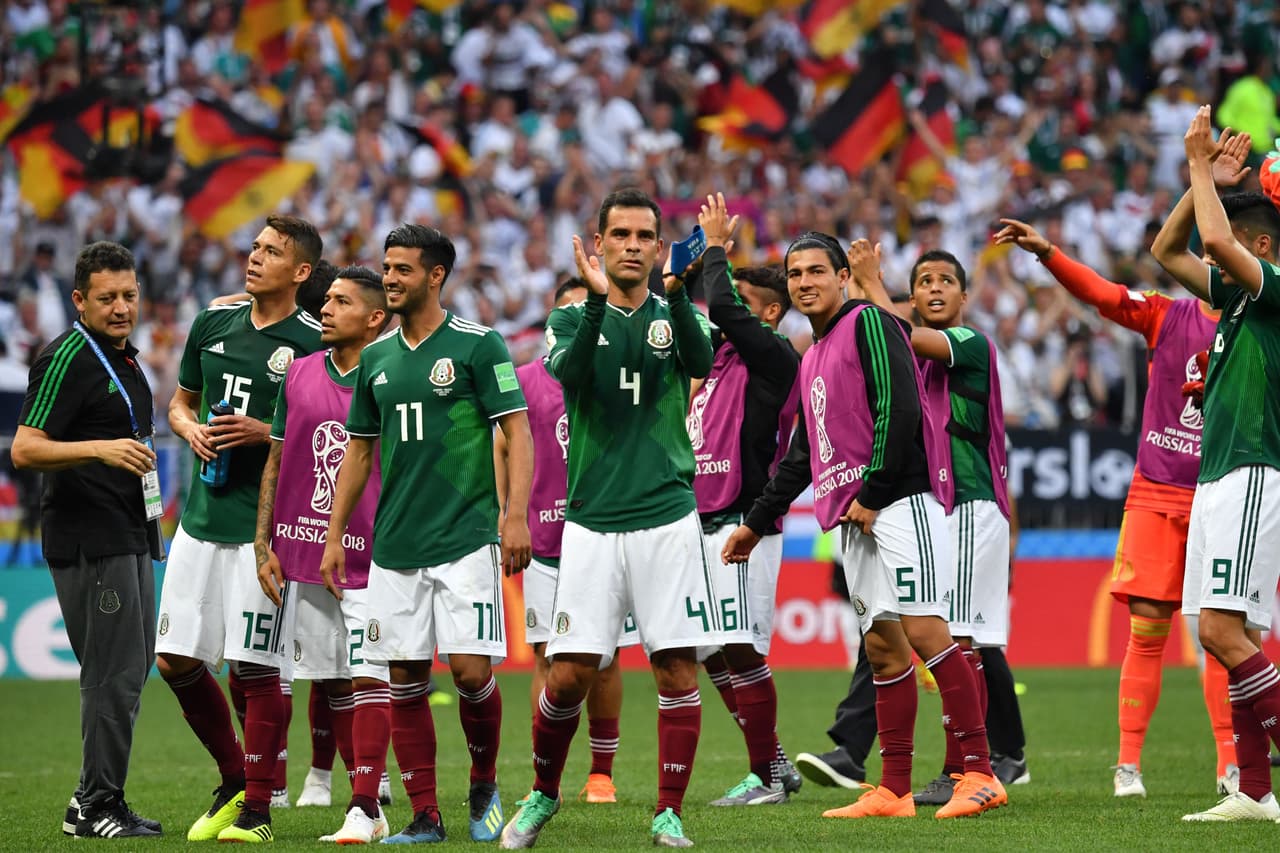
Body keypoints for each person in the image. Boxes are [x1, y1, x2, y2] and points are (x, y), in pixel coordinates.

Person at [722, 231, 1004, 820]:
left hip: (899, 501)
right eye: (795, 273)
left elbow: (901, 404)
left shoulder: (869, 323)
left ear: (842, 277)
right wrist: (757, 522)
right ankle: (893, 789)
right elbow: (803, 454)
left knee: (928, 633)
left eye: (816, 271)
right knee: (881, 648)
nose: (804, 282)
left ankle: (978, 773)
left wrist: (875, 492)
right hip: (852, 516)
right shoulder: (812, 356)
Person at [1002, 143, 1247, 796]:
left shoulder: (1259, 326)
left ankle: (1231, 764)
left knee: (1218, 632)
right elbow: (1103, 293)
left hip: (1223, 493)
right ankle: (1129, 764)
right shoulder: (1169, 316)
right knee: (1147, 628)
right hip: (1157, 493)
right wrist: (1048, 254)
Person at [499, 188, 715, 849]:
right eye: (617, 233)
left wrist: (678, 291)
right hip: (591, 522)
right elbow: (569, 370)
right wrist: (593, 300)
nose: (630, 243)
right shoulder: (569, 320)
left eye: (643, 234)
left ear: (657, 245)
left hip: (667, 515)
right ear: (598, 244)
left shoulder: (680, 313)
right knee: (568, 671)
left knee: (676, 666)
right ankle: (542, 794)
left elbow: (702, 361)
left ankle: (668, 810)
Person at [321, 224, 534, 843]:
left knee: (469, 672)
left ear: (435, 275)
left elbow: (517, 430)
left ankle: (485, 782)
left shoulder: (477, 346)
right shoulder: (377, 358)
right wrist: (336, 534)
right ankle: (424, 815)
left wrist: (512, 513)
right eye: (386, 268)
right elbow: (359, 453)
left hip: (465, 537)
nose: (388, 279)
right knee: (405, 677)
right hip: (393, 546)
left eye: (402, 269)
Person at [156, 214, 325, 843]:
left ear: (300, 272)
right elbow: (180, 401)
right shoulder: (213, 321)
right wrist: (189, 428)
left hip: (266, 532)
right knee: (174, 660)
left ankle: (257, 810)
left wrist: (267, 434)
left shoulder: (314, 341)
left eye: (272, 252)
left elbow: (333, 437)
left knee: (253, 669)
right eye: (255, 247)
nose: (254, 258)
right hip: (200, 523)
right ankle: (234, 776)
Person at [1151, 107, 1280, 822]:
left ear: (1259, 244)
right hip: (1222, 473)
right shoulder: (1240, 300)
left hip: (1253, 468)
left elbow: (1210, 237)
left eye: (1241, 233)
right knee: (1230, 632)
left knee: (1224, 633)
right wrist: (1205, 178)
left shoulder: (1274, 285)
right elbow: (1168, 249)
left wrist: (1203, 167)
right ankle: (1256, 792)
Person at [12, 241, 163, 839]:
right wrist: (98, 448)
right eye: (108, 298)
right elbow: (25, 446)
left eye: (129, 295)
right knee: (112, 672)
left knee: (131, 666)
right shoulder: (67, 357)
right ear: (79, 300)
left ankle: (96, 800)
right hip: (90, 539)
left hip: (129, 530)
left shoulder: (122, 358)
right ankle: (96, 805)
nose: (122, 307)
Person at [253, 266, 397, 843]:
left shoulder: (391, 375)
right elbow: (277, 459)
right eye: (327, 299)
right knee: (334, 680)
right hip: (303, 554)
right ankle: (363, 799)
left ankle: (365, 803)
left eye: (340, 302)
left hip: (376, 556)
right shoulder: (299, 373)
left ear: (374, 318)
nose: (325, 310)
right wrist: (263, 543)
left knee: (370, 678)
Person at [493, 276, 634, 806]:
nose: (582, 321)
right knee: (546, 656)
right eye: (571, 311)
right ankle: (542, 774)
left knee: (606, 656)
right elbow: (501, 446)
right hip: (544, 538)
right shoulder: (526, 379)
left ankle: (601, 774)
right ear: (554, 323)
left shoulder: (618, 373)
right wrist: (509, 515)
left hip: (607, 531)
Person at [683, 194, 803, 806]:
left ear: (772, 313)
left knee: (741, 646)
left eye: (741, 310)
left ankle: (764, 777)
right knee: (707, 647)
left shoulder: (775, 355)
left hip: (746, 521)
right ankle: (774, 759)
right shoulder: (719, 361)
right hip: (701, 517)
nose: (724, 319)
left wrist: (715, 249)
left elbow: (724, 307)